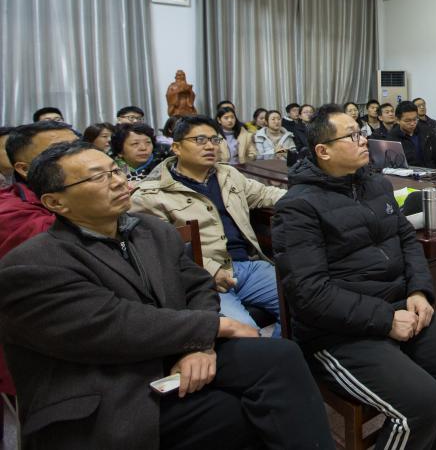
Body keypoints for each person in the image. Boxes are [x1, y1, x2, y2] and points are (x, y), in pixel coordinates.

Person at [0, 141, 333, 450]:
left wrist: (200, 344)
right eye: (98, 178)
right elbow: (112, 325)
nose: (117, 181)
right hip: (107, 388)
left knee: (281, 356)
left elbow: (198, 286)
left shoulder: (151, 230)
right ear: (55, 202)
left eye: (115, 171)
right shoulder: (31, 264)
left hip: (166, 355)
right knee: (234, 412)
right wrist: (214, 328)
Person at [273, 105, 436, 450]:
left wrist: (419, 291)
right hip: (338, 331)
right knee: (422, 403)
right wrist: (386, 319)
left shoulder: (375, 183)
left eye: (361, 132)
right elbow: (309, 294)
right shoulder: (297, 207)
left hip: (399, 304)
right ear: (323, 150)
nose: (364, 140)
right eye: (352, 135)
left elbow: (407, 240)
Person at [133, 116, 286, 335]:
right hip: (201, 277)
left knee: (301, 302)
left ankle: (284, 353)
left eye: (215, 140)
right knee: (245, 333)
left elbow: (265, 194)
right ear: (176, 147)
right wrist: (211, 270)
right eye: (200, 140)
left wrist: (306, 197)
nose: (210, 146)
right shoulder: (150, 195)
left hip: (247, 266)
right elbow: (159, 250)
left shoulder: (228, 174)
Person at [0, 121, 78, 408]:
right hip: (47, 342)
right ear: (23, 168)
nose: (78, 156)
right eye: (60, 151)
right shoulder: (11, 212)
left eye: (78, 146)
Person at [387, 101, 436, 168]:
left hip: (431, 171)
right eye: (407, 121)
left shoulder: (426, 131)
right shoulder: (392, 137)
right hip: (408, 172)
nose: (412, 123)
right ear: (397, 120)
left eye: (415, 119)